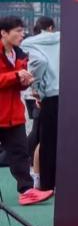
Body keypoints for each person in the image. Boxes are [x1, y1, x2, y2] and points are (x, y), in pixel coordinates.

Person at [0, 17, 42, 205]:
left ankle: (27, 191)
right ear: (3, 33)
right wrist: (15, 75)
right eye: (17, 31)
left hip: (14, 115)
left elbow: (18, 86)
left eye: (22, 30)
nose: (22, 34)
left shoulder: (20, 55)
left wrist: (25, 81)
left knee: (20, 153)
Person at [24, 16, 58, 198]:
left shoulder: (29, 43)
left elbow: (38, 63)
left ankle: (44, 183)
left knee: (44, 139)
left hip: (47, 95)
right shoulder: (64, 39)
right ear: (51, 27)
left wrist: (36, 87)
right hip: (66, 94)